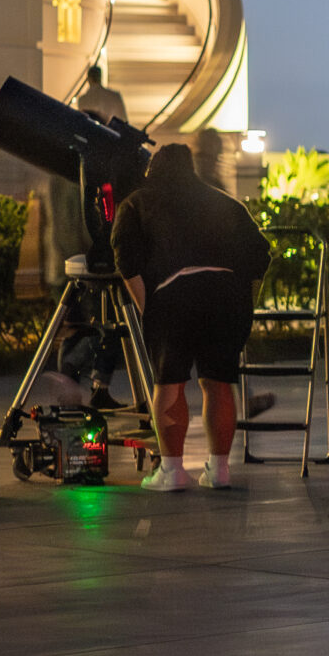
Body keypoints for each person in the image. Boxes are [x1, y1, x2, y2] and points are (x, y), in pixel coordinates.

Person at [110, 143, 272, 493]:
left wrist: (149, 308)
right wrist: (245, 302)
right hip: (227, 297)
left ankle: (172, 471)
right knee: (219, 381)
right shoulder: (226, 203)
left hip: (174, 296)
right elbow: (260, 255)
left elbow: (127, 261)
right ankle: (220, 469)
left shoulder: (137, 203)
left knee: (170, 383)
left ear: (153, 171)